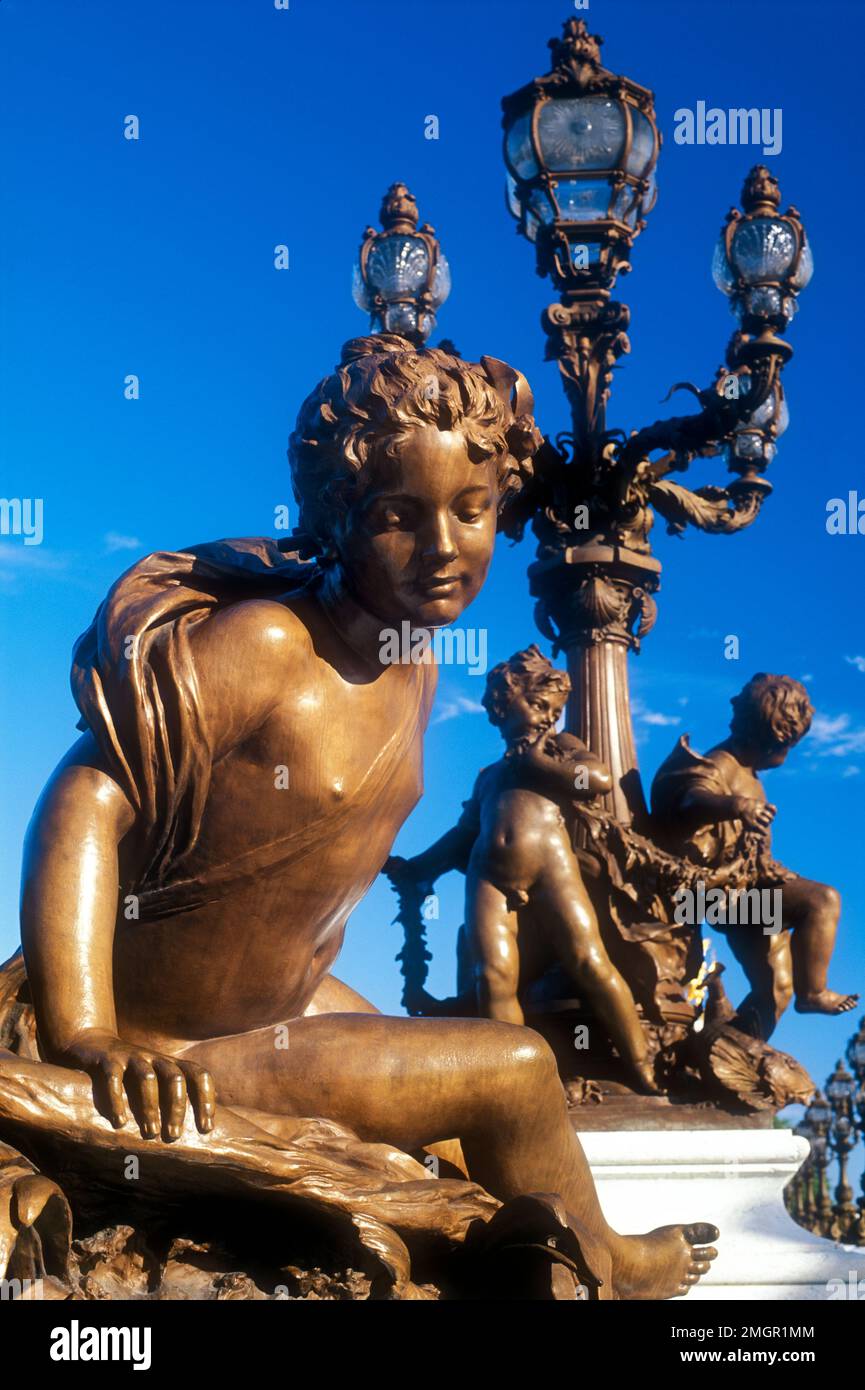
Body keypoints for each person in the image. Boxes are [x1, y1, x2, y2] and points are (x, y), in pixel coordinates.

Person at [18, 335, 716, 1298]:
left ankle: (514, 1247)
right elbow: (86, 796)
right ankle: (608, 1263)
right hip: (183, 1041)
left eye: (472, 511)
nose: (443, 550)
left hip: (279, 1005)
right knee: (511, 1067)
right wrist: (88, 1032)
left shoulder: (414, 658)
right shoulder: (266, 643)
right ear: (335, 520)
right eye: (398, 517)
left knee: (448, 1128)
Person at [391, 645, 660, 1095]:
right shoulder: (490, 776)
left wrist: (542, 762)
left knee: (589, 962)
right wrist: (417, 866)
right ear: (503, 702)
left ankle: (641, 1064)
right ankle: (516, 1082)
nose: (546, 718)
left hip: (553, 867)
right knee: (493, 976)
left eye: (554, 711)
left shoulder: (559, 748)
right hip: (488, 877)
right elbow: (464, 835)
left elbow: (598, 780)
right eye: (537, 705)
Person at [651, 673, 858, 1040]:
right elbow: (691, 799)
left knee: (777, 988)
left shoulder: (749, 772)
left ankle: (727, 1051)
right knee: (822, 900)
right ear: (773, 737)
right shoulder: (721, 765)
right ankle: (814, 993)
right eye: (790, 745)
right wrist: (736, 805)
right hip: (714, 900)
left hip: (746, 896)